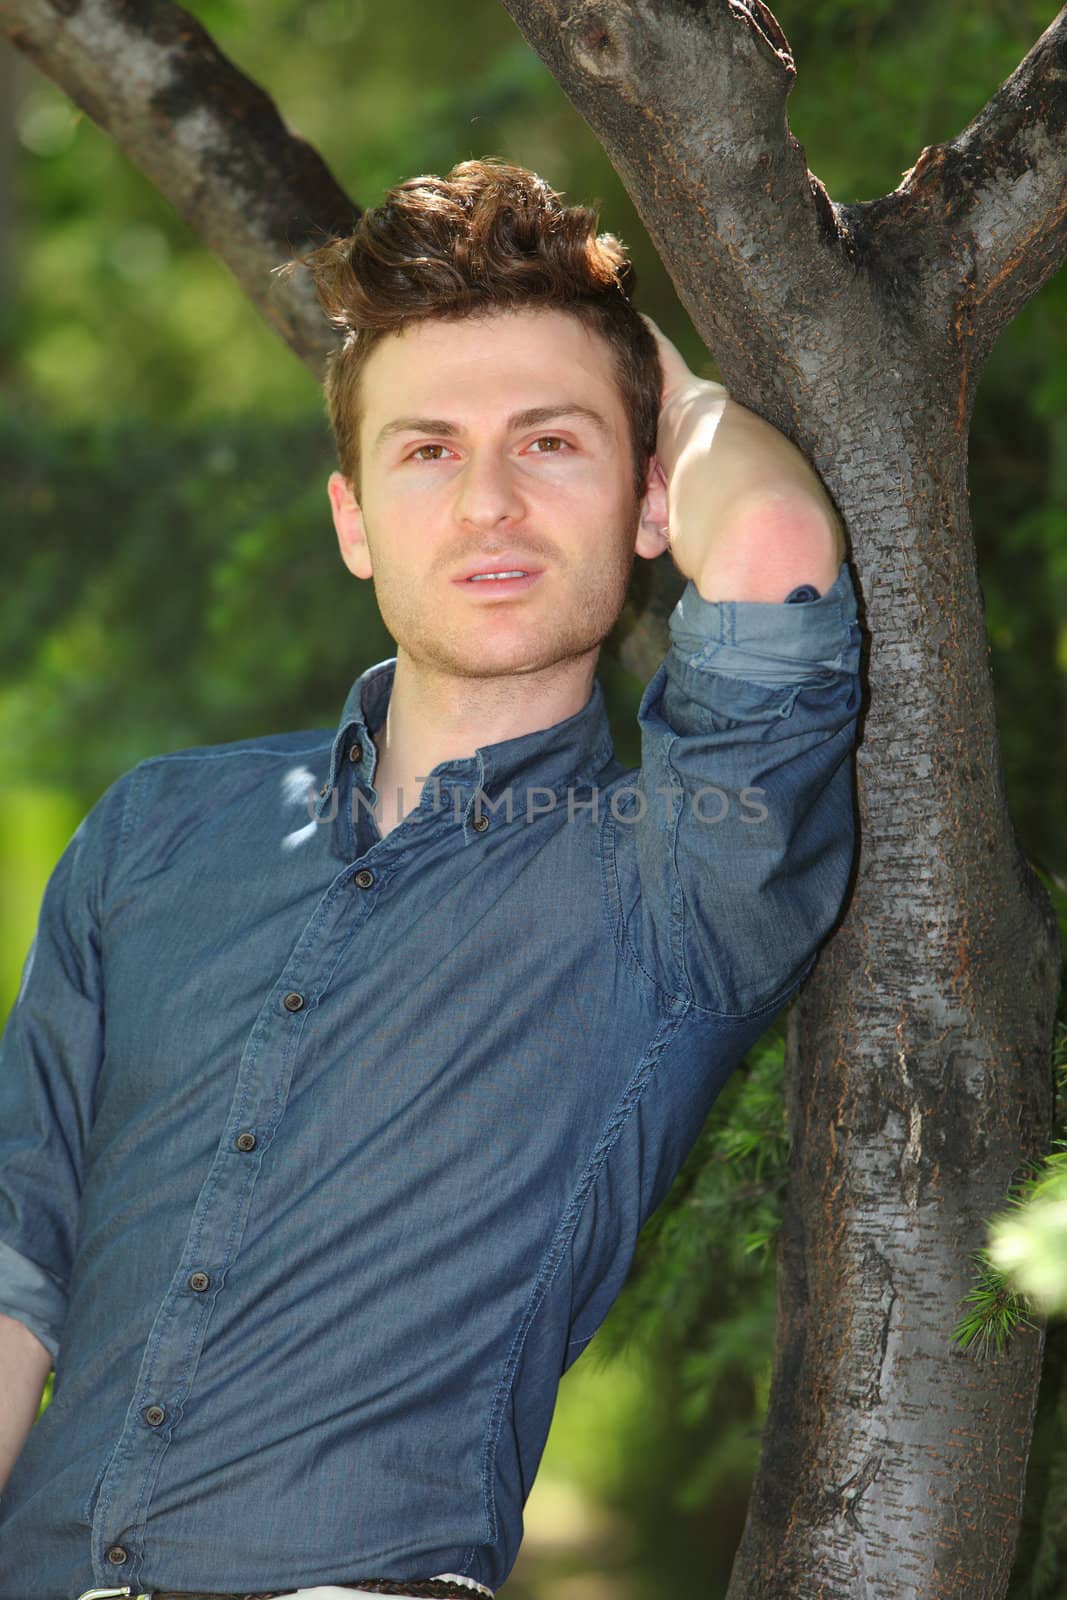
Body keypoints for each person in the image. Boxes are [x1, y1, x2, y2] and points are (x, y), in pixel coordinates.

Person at [0, 159, 861, 1600]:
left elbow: (773, 551)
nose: (489, 505)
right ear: (352, 520)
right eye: (427, 451)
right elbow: (21, 1257)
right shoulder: (157, 832)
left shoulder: (672, 879)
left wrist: (650, 368)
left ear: (649, 506)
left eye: (551, 444)